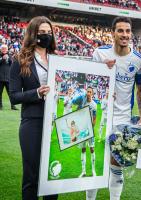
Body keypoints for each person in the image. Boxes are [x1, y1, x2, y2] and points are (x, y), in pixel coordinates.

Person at [88, 16, 141, 200]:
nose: (125, 34)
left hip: (123, 117)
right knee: (97, 163)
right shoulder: (99, 54)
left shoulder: (137, 60)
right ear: (112, 33)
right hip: (100, 114)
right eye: (120, 30)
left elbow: (140, 91)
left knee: (116, 162)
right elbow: (89, 83)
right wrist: (103, 74)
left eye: (128, 31)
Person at [9, 16, 58, 200]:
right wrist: (36, 93)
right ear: (33, 34)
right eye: (42, 33)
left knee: (52, 174)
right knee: (31, 175)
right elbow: (14, 96)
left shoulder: (56, 59)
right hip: (32, 122)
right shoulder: (20, 60)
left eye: (49, 33)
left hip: (55, 122)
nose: (46, 36)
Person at [0, 44, 18, 110]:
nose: (4, 50)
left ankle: (13, 106)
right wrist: (2, 59)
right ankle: (0, 106)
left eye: (5, 49)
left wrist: (8, 58)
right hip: (0, 78)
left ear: (7, 50)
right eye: (3, 49)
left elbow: (12, 64)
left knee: (10, 93)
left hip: (8, 78)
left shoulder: (9, 56)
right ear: (1, 50)